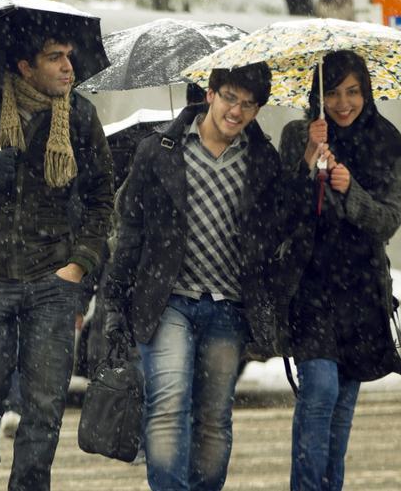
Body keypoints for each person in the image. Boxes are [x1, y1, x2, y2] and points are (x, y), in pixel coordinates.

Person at [0, 25, 114, 491]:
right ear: (25, 67)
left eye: (69, 56)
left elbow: (101, 199)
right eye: (55, 57)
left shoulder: (80, 118)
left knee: (45, 404)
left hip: (52, 278)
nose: (68, 67)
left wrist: (80, 263)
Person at [102, 62, 285, 491]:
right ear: (210, 94)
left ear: (258, 110)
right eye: (229, 98)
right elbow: (131, 230)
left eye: (249, 104)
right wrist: (114, 301)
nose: (236, 111)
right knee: (166, 407)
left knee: (213, 417)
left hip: (228, 306)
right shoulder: (158, 150)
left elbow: (276, 233)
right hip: (167, 302)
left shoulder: (263, 160)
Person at [274, 50, 401, 491]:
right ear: (317, 95)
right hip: (311, 286)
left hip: (360, 290)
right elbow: (280, 212)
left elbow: (388, 220)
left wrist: (351, 192)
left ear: (367, 92)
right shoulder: (299, 134)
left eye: (353, 92)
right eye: (331, 93)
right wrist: (308, 157)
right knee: (320, 394)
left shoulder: (388, 142)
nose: (343, 103)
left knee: (342, 407)